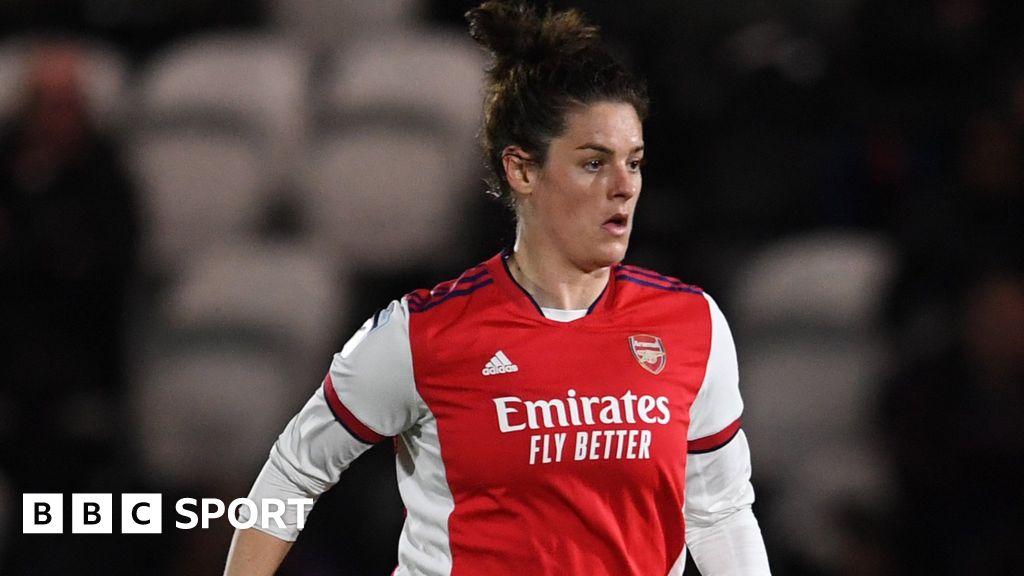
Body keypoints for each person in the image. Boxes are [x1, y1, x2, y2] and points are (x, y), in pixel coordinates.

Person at [224, 2, 771, 574]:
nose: (623, 187)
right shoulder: (425, 333)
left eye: (633, 162)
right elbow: (293, 470)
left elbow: (719, 512)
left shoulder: (690, 324)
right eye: (593, 163)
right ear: (523, 170)